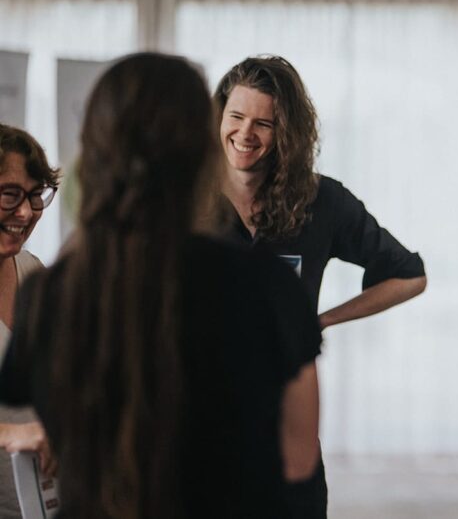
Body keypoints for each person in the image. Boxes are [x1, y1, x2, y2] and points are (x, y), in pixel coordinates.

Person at [0, 53, 323, 518]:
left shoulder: (53, 292)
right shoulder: (270, 287)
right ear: (203, 150)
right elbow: (299, 458)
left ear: (96, 151)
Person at [214, 56, 427, 515]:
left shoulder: (319, 201)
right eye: (236, 117)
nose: (245, 134)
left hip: (289, 431)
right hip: (199, 432)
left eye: (264, 123)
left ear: (285, 132)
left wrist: (320, 320)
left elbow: (409, 275)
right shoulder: (181, 200)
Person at [0, 124, 58, 518]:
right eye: (9, 195)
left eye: (35, 195)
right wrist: (7, 433)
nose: (25, 211)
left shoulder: (33, 272)